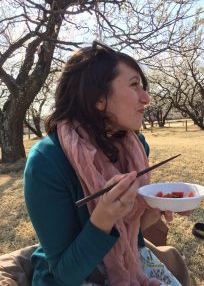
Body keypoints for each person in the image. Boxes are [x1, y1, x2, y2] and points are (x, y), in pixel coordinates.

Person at [24, 41, 191, 286]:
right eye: (135, 85)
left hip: (130, 262)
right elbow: (64, 274)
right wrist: (103, 217)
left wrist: (155, 208)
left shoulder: (135, 146)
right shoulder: (47, 161)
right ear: (98, 98)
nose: (146, 98)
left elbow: (131, 235)